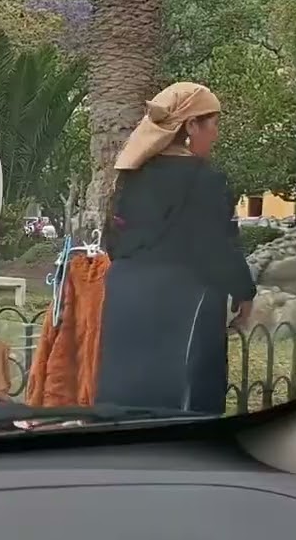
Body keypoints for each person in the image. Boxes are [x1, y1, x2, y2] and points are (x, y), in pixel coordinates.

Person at [97, 82, 256, 415]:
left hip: (125, 298)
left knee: (124, 399)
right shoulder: (205, 181)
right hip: (183, 301)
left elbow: (115, 242)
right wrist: (245, 293)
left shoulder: (130, 179)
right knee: (183, 405)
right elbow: (216, 247)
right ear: (191, 126)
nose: (215, 135)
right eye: (212, 125)